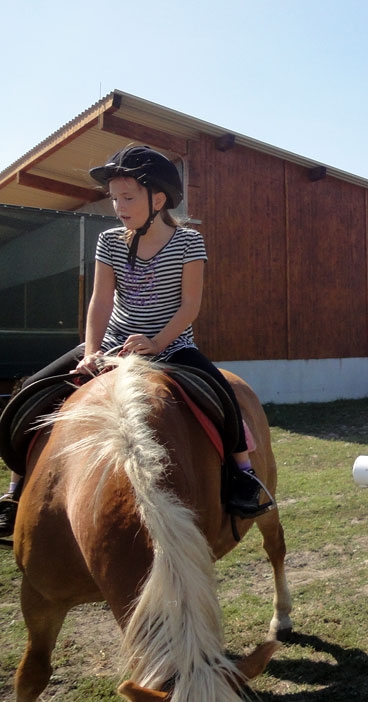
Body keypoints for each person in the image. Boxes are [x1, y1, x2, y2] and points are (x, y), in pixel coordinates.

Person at [0, 145, 269, 539]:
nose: (118, 206)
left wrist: (158, 342)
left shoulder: (189, 243)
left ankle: (245, 476)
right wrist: (91, 351)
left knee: (224, 398)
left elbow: (190, 306)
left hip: (172, 347)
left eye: (128, 197)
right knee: (32, 392)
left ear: (158, 199)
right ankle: (14, 492)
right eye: (114, 198)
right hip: (112, 344)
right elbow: (101, 300)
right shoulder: (108, 241)